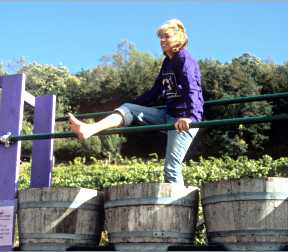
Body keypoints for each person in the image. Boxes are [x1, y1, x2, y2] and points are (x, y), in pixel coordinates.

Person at [68, 18, 204, 185]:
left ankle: (181, 208)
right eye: (160, 37)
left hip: (184, 120)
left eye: (166, 36)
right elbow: (154, 92)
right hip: (167, 115)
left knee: (171, 168)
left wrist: (191, 117)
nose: (162, 41)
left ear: (179, 38)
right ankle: (89, 129)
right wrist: (132, 105)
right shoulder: (167, 63)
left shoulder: (185, 59)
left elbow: (194, 89)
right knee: (128, 108)